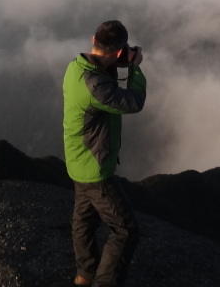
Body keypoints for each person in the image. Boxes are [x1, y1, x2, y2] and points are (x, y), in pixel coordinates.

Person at [62, 19, 147, 287]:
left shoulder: (76, 67)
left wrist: (116, 62)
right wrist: (133, 69)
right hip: (95, 169)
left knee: (84, 223)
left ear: (93, 40)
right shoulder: (95, 86)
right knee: (125, 230)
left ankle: (85, 275)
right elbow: (133, 102)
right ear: (118, 50)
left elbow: (102, 81)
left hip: (77, 162)